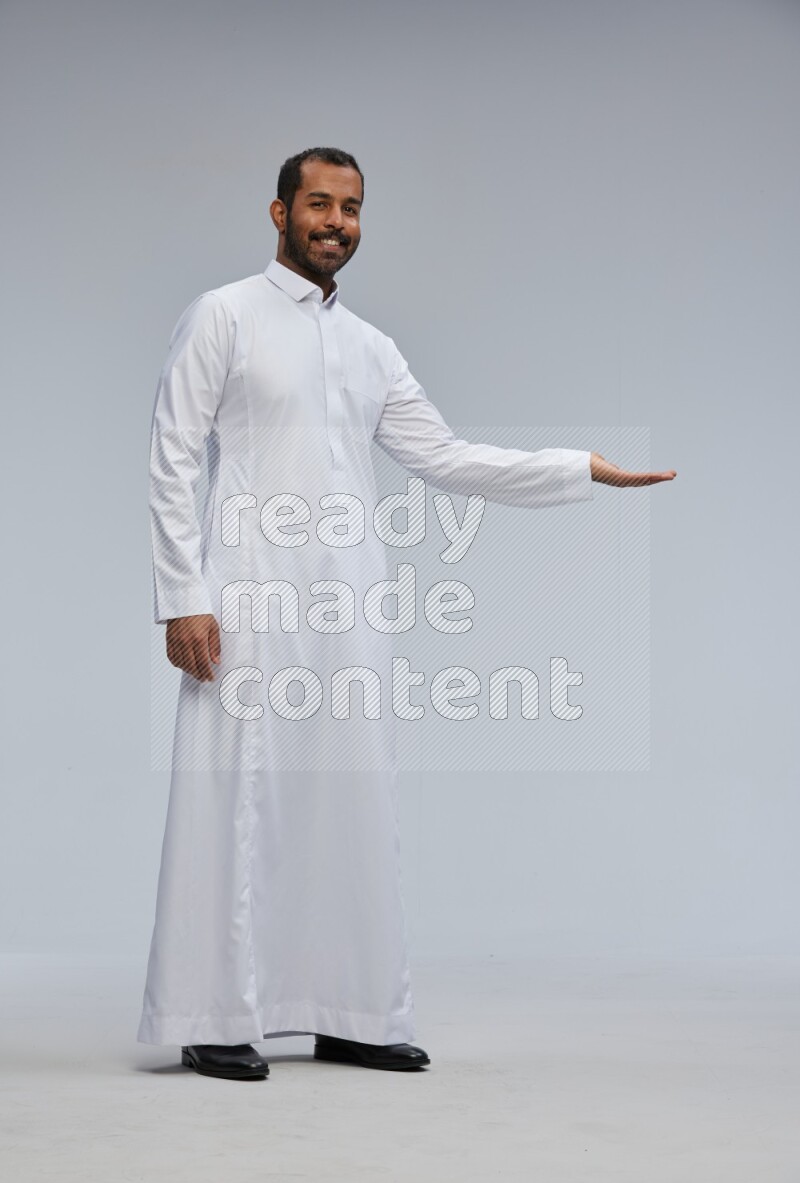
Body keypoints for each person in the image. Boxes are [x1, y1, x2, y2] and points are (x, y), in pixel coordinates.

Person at [139, 146, 677, 1082]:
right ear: (278, 213)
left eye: (350, 207)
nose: (335, 222)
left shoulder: (370, 347)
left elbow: (446, 456)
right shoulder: (223, 315)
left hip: (348, 604)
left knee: (350, 802)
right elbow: (173, 455)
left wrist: (574, 466)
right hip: (246, 599)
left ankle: (350, 1010)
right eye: (318, 203)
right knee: (234, 795)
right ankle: (214, 1012)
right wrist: (183, 596)